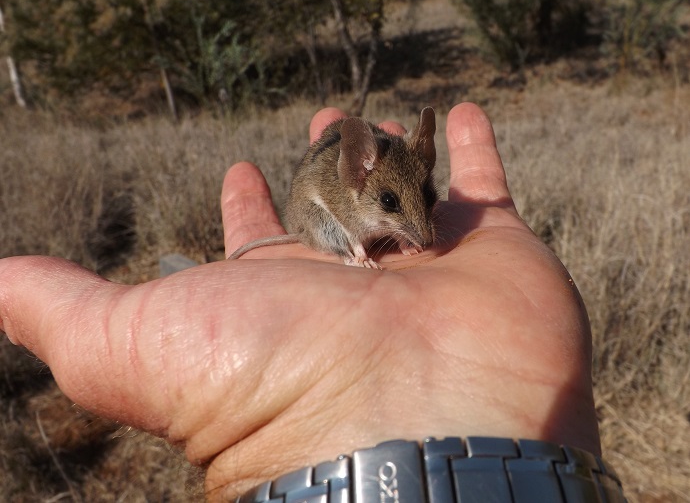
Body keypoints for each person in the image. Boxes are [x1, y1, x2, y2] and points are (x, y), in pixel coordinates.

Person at [0, 104, 607, 501]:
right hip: (324, 225)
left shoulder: (403, 185)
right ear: (358, 174)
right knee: (328, 225)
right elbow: (348, 217)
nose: (422, 234)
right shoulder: (348, 188)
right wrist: (354, 249)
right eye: (396, 210)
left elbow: (416, 213)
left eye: (423, 200)